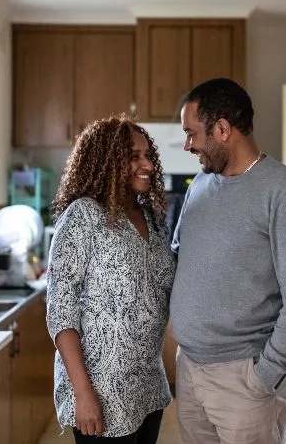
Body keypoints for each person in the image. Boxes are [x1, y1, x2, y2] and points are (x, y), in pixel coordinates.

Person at [170, 78, 286, 444]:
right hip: (189, 370)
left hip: (245, 380)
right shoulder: (200, 186)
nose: (188, 145)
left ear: (222, 129)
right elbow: (179, 259)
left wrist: (266, 375)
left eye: (192, 134)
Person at [45, 115, 175, 443]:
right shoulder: (84, 215)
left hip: (147, 385)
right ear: (107, 162)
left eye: (148, 155)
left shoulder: (153, 219)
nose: (146, 164)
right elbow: (61, 314)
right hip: (101, 390)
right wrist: (83, 394)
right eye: (134, 156)